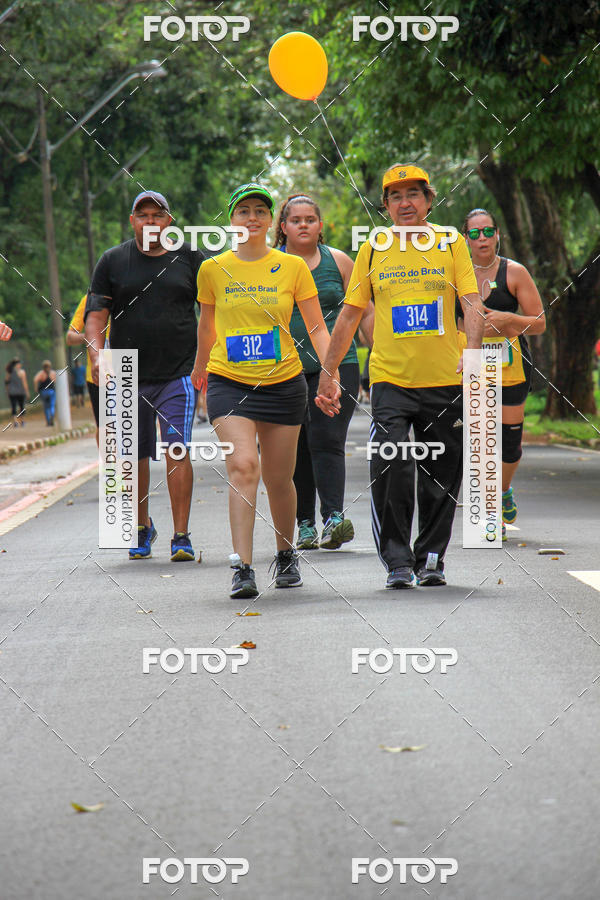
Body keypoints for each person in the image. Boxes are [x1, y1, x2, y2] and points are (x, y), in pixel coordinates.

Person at [316, 163, 484, 589]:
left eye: (413, 194)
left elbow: (471, 302)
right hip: (390, 379)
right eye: (395, 196)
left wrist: (473, 355)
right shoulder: (374, 246)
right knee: (391, 463)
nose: (404, 203)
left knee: (442, 471)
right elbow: (351, 312)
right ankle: (397, 561)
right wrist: (329, 370)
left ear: (429, 200)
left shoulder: (450, 243)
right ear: (385, 205)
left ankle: (431, 557)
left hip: (445, 378)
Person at [191, 182, 340, 599]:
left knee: (279, 477)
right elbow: (207, 324)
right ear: (232, 221)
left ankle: (286, 553)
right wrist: (200, 368)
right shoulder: (212, 269)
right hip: (228, 380)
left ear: (270, 221)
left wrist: (330, 373)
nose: (252, 217)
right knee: (242, 467)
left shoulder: (292, 267)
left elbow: (315, 327)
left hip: (283, 383)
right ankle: (242, 567)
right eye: (244, 211)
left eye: (260, 210)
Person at [85, 190, 205, 561]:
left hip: (178, 372)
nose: (150, 221)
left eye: (157, 215)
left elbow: (213, 310)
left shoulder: (191, 257)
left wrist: (207, 361)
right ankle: (140, 526)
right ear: (132, 221)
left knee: (176, 449)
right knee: (132, 455)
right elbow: (95, 317)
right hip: (125, 372)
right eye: (143, 215)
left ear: (169, 221)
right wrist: (96, 355)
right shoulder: (113, 261)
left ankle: (180, 536)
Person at [274, 193, 373, 551]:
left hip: (339, 365)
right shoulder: (270, 264)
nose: (303, 225)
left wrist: (378, 348)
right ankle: (303, 524)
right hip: (283, 369)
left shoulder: (341, 262)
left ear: (320, 226)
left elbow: (365, 310)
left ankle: (333, 517)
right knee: (296, 446)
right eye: (295, 220)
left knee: (327, 439)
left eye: (310, 219)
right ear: (282, 228)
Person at [461, 208, 546, 539]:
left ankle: (504, 488)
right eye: (474, 233)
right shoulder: (457, 273)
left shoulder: (515, 272)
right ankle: (488, 514)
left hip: (511, 362)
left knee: (509, 443)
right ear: (465, 238)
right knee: (481, 438)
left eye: (487, 231)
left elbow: (539, 322)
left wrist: (511, 321)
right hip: (472, 360)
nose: (482, 238)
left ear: (498, 234)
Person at [67, 294, 111, 445]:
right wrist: (91, 336)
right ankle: (108, 467)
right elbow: (70, 337)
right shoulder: (89, 300)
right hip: (98, 376)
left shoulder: (128, 294)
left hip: (127, 370)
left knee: (127, 427)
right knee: (105, 427)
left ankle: (125, 466)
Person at [5, 358, 29, 427]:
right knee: (22, 406)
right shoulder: (22, 372)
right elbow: (24, 383)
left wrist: (7, 391)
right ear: (17, 364)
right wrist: (27, 392)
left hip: (12, 392)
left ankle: (15, 422)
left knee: (14, 406)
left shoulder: (9, 372)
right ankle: (22, 421)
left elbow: (6, 382)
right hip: (20, 392)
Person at [33, 360, 57, 426]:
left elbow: (35, 380)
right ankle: (52, 415)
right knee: (52, 405)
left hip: (44, 392)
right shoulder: (53, 373)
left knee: (46, 407)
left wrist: (36, 389)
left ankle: (48, 421)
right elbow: (56, 381)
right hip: (51, 391)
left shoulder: (41, 373)